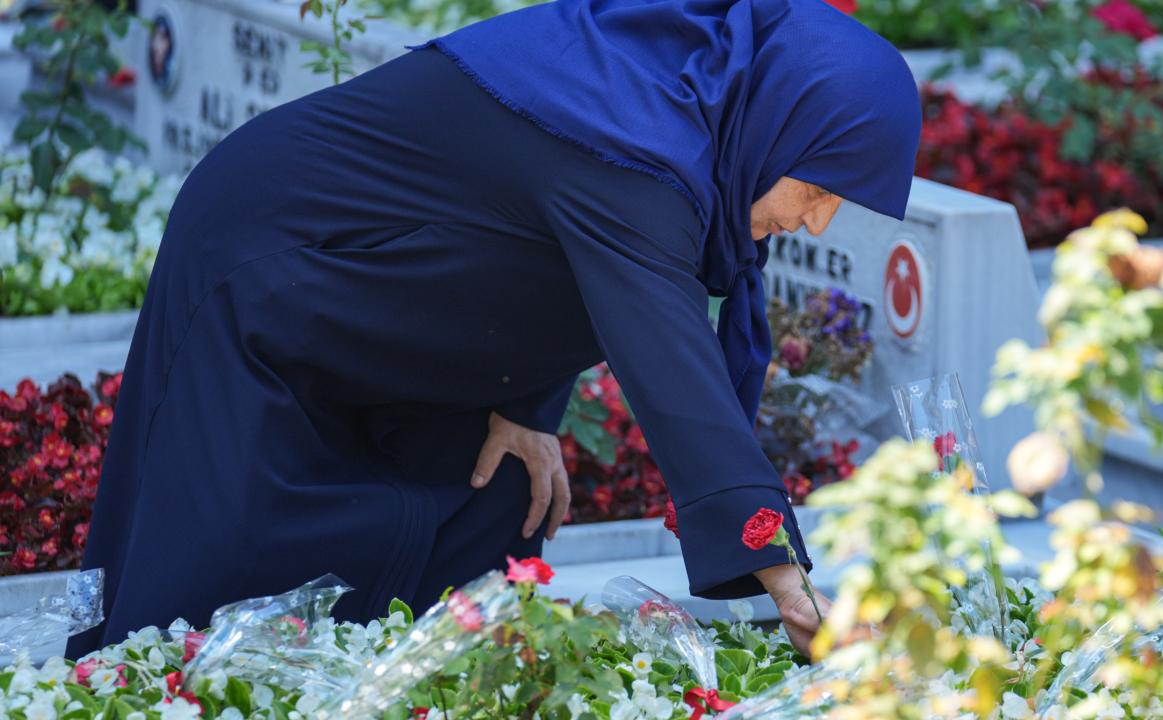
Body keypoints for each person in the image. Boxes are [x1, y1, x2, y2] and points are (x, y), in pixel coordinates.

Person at [66, 0, 920, 659]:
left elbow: (538, 242)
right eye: (816, 191)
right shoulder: (638, 134)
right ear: (776, 121)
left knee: (501, 489)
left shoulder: (677, 114)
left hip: (399, 297)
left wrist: (526, 407)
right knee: (215, 568)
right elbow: (674, 372)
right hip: (276, 262)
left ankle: (366, 681)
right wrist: (788, 582)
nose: (815, 222)